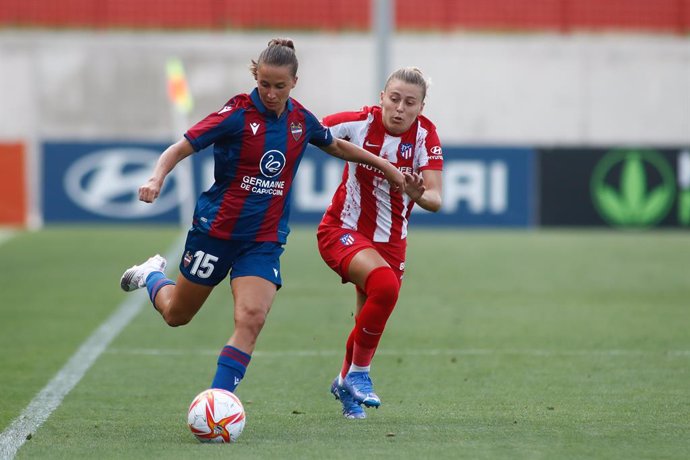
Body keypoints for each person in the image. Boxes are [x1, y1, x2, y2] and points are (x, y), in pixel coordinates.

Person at [119, 38, 404, 397]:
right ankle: (152, 275)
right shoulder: (236, 114)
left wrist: (387, 168)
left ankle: (219, 402)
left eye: (279, 86)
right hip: (216, 233)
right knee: (177, 315)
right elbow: (180, 147)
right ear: (256, 77)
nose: (270, 93)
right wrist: (156, 177)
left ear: (294, 83)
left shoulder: (301, 119)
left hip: (263, 241)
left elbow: (336, 145)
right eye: (264, 84)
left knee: (252, 318)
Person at [317, 67, 443, 419]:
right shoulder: (359, 123)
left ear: (421, 107)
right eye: (394, 99)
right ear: (382, 98)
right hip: (342, 229)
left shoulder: (425, 136)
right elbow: (309, 131)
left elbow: (435, 198)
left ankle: (345, 386)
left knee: (367, 317)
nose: (400, 108)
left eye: (410, 102)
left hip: (391, 242)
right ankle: (359, 374)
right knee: (385, 286)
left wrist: (419, 193)